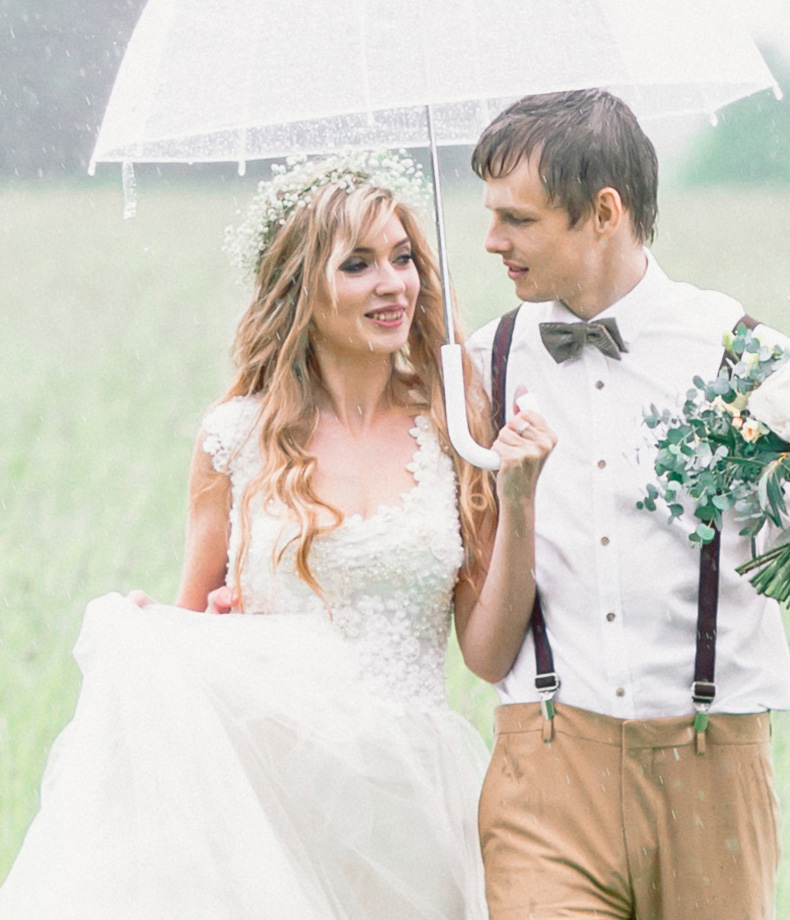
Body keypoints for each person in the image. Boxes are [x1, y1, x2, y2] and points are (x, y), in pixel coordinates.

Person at [0, 152, 555, 920]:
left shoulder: (452, 425)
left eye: (402, 259)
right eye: (358, 264)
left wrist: (518, 502)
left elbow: (487, 653)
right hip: (271, 797)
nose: (393, 284)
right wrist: (156, 632)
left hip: (410, 802)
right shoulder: (233, 440)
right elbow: (195, 626)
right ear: (299, 287)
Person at [464, 90, 790, 920]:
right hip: (544, 770)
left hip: (712, 765)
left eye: (518, 219)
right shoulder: (487, 361)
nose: (492, 241)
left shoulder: (740, 353)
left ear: (604, 212)